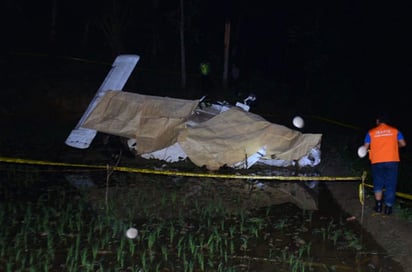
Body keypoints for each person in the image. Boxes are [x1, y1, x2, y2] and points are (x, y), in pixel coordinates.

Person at [361, 113, 406, 215]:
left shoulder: (371, 132)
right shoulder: (395, 131)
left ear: (378, 121)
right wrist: (393, 147)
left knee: (378, 182)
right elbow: (403, 143)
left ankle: (378, 206)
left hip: (377, 161)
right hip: (392, 160)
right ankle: (388, 208)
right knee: (391, 184)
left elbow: (365, 148)